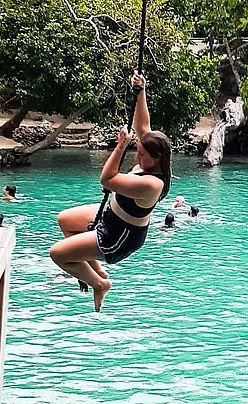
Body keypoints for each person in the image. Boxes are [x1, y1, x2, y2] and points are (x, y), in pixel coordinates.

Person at [50, 71, 172, 311]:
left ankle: (99, 283)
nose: (137, 155)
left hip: (119, 236)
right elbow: (142, 125)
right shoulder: (151, 153)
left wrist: (120, 146)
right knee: (65, 221)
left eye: (141, 154)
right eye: (136, 150)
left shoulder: (153, 184)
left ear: (156, 159)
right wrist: (141, 90)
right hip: (111, 214)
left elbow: (107, 179)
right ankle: (96, 269)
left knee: (58, 254)